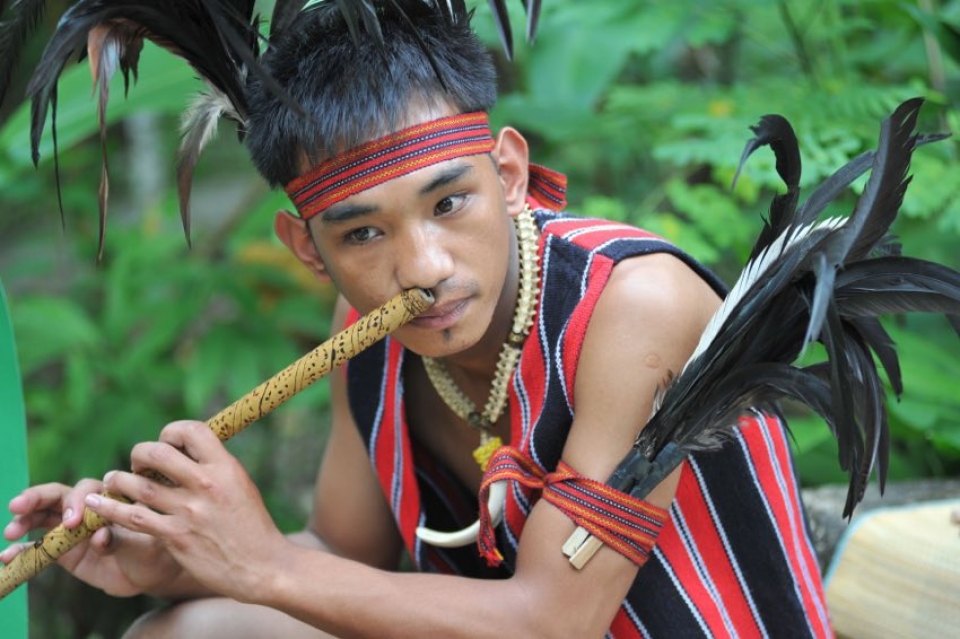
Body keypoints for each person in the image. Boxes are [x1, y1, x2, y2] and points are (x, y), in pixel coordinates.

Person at [2, 2, 831, 636]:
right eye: (363, 231)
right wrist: (175, 556)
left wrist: (263, 564)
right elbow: (336, 551)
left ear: (509, 172)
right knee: (194, 628)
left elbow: (551, 619)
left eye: (450, 201)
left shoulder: (636, 306)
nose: (423, 268)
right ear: (307, 245)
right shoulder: (365, 335)